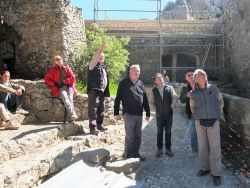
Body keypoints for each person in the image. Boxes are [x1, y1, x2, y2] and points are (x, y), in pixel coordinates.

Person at [190, 69, 224, 186]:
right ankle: (205, 168)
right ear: (196, 79)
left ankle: (216, 173)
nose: (205, 76)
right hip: (200, 123)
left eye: (204, 75)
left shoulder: (213, 88)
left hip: (214, 122)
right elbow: (192, 108)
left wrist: (218, 115)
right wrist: (199, 117)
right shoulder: (193, 93)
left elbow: (221, 101)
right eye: (202, 75)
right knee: (203, 147)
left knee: (215, 148)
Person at [114, 64, 150, 161]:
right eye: (135, 71)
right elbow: (117, 98)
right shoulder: (123, 83)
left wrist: (148, 113)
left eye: (138, 71)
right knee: (130, 135)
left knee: (138, 135)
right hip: (128, 113)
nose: (137, 73)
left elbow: (145, 99)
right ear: (130, 72)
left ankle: (136, 154)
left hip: (139, 113)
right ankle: (128, 155)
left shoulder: (140, 83)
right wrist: (116, 112)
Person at [149, 73, 178, 157]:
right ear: (155, 81)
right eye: (158, 78)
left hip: (169, 114)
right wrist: (156, 111)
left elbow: (175, 97)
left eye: (161, 77)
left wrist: (171, 107)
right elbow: (151, 102)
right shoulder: (153, 90)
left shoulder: (169, 88)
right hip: (159, 115)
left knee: (168, 132)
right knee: (159, 132)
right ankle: (159, 149)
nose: (161, 79)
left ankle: (168, 149)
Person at [44, 55, 78, 123]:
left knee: (70, 99)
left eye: (60, 59)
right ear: (55, 62)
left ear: (62, 60)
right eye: (57, 59)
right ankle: (72, 116)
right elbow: (46, 79)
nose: (59, 60)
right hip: (61, 87)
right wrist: (54, 84)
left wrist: (65, 81)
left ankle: (72, 117)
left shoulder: (67, 69)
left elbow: (73, 78)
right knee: (65, 98)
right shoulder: (52, 70)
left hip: (69, 87)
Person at [87, 44, 110, 135]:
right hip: (94, 90)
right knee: (92, 109)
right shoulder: (92, 65)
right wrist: (100, 50)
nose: (100, 57)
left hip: (101, 91)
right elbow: (95, 57)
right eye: (99, 56)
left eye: (102, 57)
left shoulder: (103, 68)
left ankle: (99, 125)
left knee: (101, 109)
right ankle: (93, 128)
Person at [179, 69, 198, 158]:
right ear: (186, 78)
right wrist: (187, 95)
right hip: (191, 114)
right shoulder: (185, 88)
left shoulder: (200, 85)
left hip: (203, 113)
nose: (190, 76)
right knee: (193, 133)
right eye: (188, 75)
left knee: (204, 133)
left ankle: (206, 151)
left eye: (192, 74)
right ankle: (195, 151)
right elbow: (181, 100)